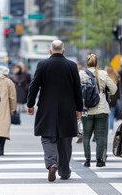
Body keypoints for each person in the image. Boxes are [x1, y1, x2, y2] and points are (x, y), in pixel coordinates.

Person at [27, 40, 83, 182]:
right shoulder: (72, 66)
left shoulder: (43, 64)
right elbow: (78, 89)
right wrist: (79, 108)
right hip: (67, 107)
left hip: (47, 107)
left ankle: (52, 163)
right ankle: (64, 171)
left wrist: (30, 103)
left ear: (50, 51)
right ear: (63, 51)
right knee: (65, 139)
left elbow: (34, 86)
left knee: (47, 137)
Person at [79, 55, 117, 168]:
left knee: (86, 135)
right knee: (100, 136)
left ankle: (87, 160)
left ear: (87, 63)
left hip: (86, 109)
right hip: (102, 109)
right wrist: (104, 93)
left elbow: (75, 90)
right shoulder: (103, 74)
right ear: (96, 63)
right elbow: (114, 89)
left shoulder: (81, 74)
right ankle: (100, 160)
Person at [0, 66, 17, 156]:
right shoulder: (9, 82)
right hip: (4, 109)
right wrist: (12, 109)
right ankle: (1, 149)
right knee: (2, 130)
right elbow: (12, 97)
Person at [105, 66, 120, 134]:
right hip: (114, 99)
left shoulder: (106, 78)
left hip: (107, 98)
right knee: (112, 114)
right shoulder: (116, 79)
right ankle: (111, 129)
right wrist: (118, 98)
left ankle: (106, 127)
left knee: (106, 114)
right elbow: (118, 90)